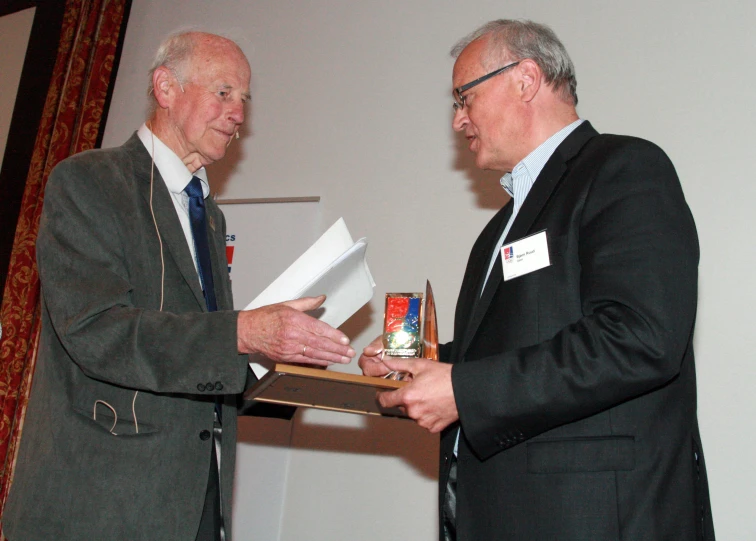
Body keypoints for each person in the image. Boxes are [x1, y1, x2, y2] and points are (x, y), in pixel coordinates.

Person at [361, 19, 715, 541]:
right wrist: (425, 367)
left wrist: (463, 388)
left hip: (597, 518)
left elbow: (640, 336)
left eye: (464, 98)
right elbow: (517, 346)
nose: (459, 121)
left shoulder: (624, 168)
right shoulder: (497, 229)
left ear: (525, 79)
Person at [3, 31, 355, 541]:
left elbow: (196, 360)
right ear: (165, 88)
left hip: (194, 497)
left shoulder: (206, 213)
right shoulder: (89, 182)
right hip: (101, 504)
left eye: (244, 100)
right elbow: (98, 333)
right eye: (223, 93)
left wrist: (283, 360)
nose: (238, 114)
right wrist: (243, 334)